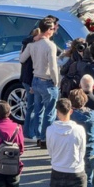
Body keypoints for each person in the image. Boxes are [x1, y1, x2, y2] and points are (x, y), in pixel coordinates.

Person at [19, 18, 59, 149]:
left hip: (35, 79)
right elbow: (53, 67)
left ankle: (38, 136)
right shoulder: (50, 45)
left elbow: (21, 59)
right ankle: (45, 138)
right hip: (46, 80)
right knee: (49, 112)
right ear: (48, 31)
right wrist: (56, 81)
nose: (53, 31)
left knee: (38, 110)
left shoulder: (32, 45)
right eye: (52, 29)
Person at [46, 98, 87, 187]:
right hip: (76, 171)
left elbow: (50, 151)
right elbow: (82, 151)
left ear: (57, 112)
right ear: (71, 111)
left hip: (57, 170)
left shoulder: (50, 130)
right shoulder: (79, 130)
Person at [68, 89, 94, 187]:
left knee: (75, 176)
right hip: (90, 150)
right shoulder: (93, 114)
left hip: (75, 151)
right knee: (88, 177)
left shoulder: (70, 116)